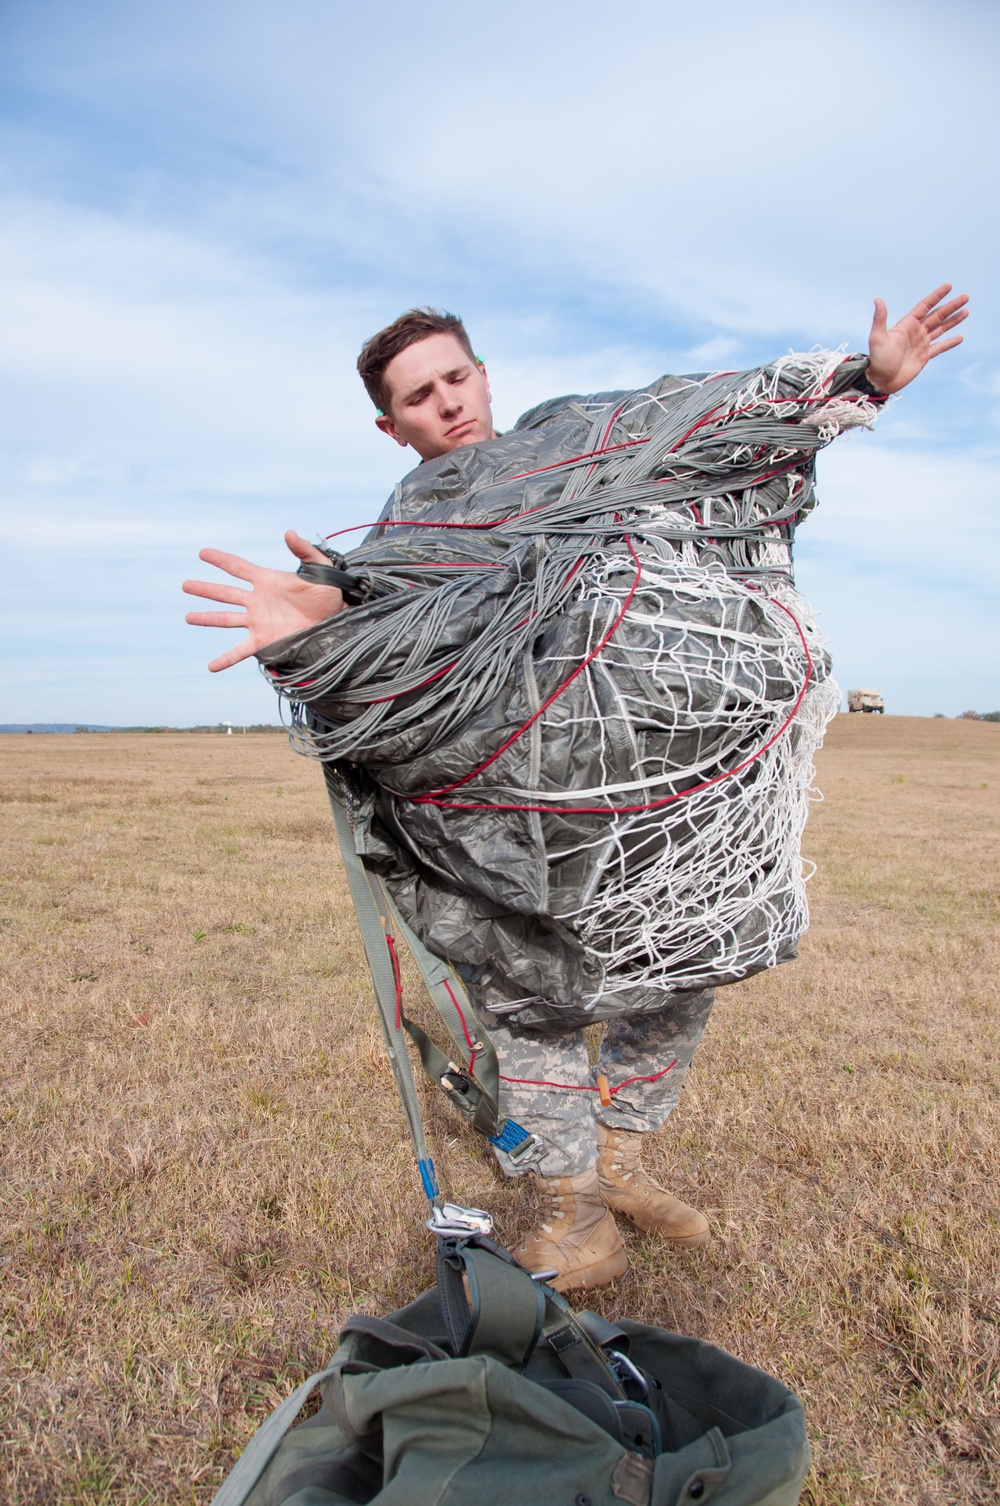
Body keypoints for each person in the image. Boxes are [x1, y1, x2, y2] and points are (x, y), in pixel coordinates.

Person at [184, 288, 967, 1290]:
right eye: (419, 397)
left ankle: (624, 1158)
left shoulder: (583, 447)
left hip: (658, 803)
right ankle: (571, 1208)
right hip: (514, 824)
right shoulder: (406, 537)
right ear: (389, 424)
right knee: (530, 997)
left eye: (456, 377)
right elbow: (381, 644)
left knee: (686, 970)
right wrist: (319, 630)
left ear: (482, 371)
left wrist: (859, 385)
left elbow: (702, 423)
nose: (448, 404)